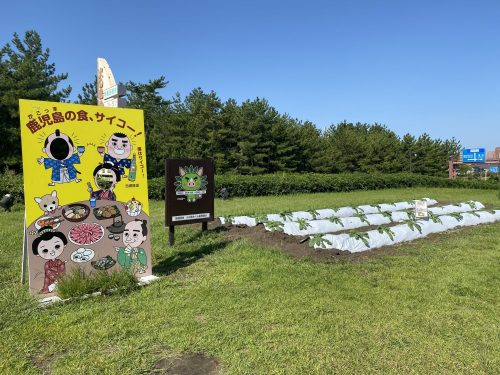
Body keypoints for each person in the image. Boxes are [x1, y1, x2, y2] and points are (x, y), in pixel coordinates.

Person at [32, 227, 67, 293]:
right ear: (38, 254)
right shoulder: (47, 264)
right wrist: (55, 278)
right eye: (45, 250)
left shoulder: (59, 261)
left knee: (61, 284)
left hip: (58, 278)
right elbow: (47, 271)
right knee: (51, 286)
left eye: (57, 246)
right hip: (51, 280)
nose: (52, 252)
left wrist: (62, 265)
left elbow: (62, 268)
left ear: (64, 245)